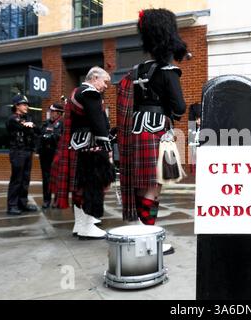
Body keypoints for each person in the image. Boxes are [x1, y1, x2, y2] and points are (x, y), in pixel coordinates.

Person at [116, 8, 187, 255]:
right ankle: (148, 241)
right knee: (152, 187)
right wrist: (171, 112)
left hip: (136, 129)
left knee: (139, 185)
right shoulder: (167, 71)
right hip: (156, 130)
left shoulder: (135, 71)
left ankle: (139, 233)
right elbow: (179, 107)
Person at [54, 67, 115, 239]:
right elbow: (98, 123)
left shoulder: (76, 92)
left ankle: (80, 225)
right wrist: (108, 149)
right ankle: (87, 227)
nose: (106, 86)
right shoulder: (90, 93)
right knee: (92, 186)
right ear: (95, 78)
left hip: (79, 145)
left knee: (81, 187)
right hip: (92, 145)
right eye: (105, 82)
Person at [5, 95, 40, 215]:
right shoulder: (12, 118)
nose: (26, 106)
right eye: (24, 104)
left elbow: (37, 130)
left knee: (25, 179)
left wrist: (31, 126)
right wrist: (29, 126)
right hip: (17, 152)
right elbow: (22, 127)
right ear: (17, 106)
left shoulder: (28, 118)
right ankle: (12, 205)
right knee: (17, 179)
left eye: (26, 104)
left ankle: (22, 203)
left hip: (27, 151)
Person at [38, 103, 64, 209]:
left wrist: (51, 136)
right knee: (46, 178)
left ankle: (57, 200)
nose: (51, 113)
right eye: (51, 111)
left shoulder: (63, 124)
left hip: (56, 154)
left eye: (53, 111)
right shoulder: (46, 123)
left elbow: (61, 139)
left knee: (57, 178)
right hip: (45, 155)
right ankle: (46, 200)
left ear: (58, 113)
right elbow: (40, 136)